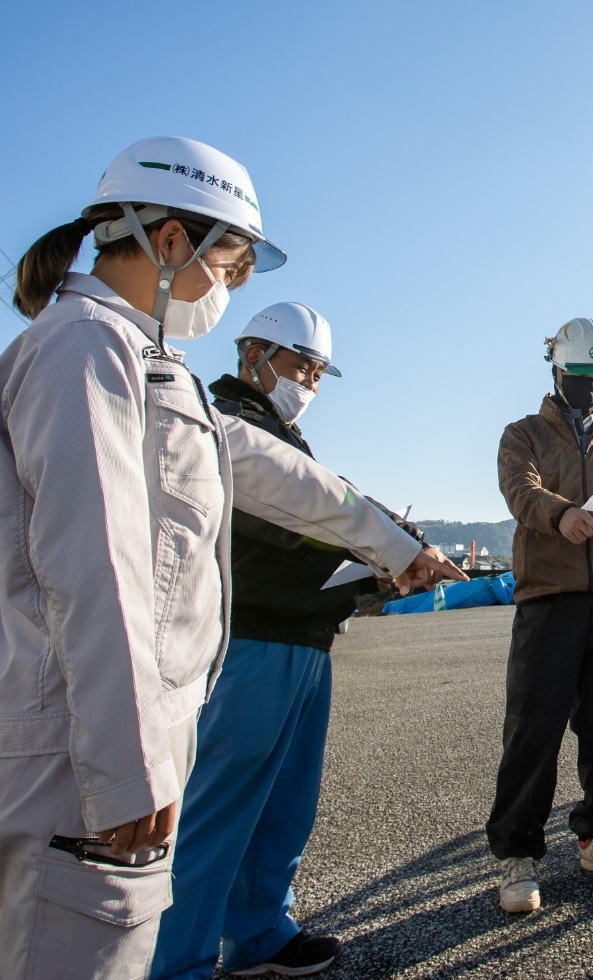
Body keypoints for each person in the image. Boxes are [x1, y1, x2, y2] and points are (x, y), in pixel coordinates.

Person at [0, 137, 455, 980]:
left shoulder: (147, 362)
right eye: (233, 265)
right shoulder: (81, 348)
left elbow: (280, 477)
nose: (230, 289)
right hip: (76, 747)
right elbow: (91, 572)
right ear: (171, 240)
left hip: (119, 736)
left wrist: (394, 545)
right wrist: (129, 768)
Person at [150, 303, 465, 979]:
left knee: (281, 809)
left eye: (320, 374)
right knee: (217, 812)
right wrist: (386, 555)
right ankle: (176, 961)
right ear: (253, 354)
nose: (310, 384)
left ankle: (261, 933)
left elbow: (329, 525)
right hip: (252, 641)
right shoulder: (221, 427)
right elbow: (287, 533)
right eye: (302, 366)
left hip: (305, 642)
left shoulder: (284, 437)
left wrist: (384, 569)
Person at [487, 318, 593, 913]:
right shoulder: (524, 434)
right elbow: (519, 490)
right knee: (533, 731)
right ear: (558, 371)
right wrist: (560, 514)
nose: (592, 388)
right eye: (582, 377)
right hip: (548, 599)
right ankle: (516, 856)